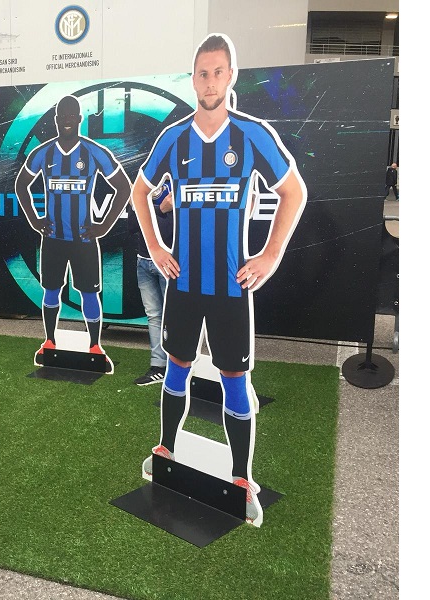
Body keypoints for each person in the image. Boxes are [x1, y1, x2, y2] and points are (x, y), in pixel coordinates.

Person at [130, 33, 308, 523]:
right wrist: (156, 247)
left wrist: (270, 254)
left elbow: (293, 192)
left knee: (234, 378)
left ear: (231, 77)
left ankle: (240, 477)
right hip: (184, 286)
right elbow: (140, 191)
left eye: (218, 73)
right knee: (177, 366)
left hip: (231, 287)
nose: (210, 82)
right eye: (202, 74)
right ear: (193, 80)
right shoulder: (174, 139)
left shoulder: (252, 135)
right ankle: (165, 449)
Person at [14, 94, 132, 360]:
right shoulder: (43, 153)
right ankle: (49, 341)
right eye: (62, 116)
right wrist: (34, 219)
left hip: (84, 239)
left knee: (89, 293)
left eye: (71, 115)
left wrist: (104, 225)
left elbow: (124, 187)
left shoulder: (93, 151)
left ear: (79, 119)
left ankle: (95, 346)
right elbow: (21, 184)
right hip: (53, 239)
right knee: (51, 291)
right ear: (56, 120)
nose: (66, 120)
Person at [130, 179, 173, 386]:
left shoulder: (180, 182)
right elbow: (132, 226)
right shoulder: (143, 186)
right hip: (144, 260)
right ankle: (158, 367)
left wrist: (148, 212)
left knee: (173, 317)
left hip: (171, 263)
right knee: (154, 316)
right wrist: (160, 210)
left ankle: (178, 367)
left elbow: (174, 228)